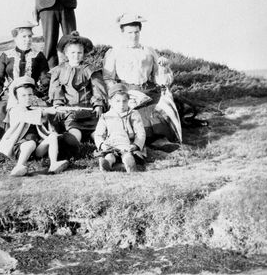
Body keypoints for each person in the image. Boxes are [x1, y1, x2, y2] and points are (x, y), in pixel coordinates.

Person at [102, 13, 182, 144]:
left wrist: (164, 68)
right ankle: (142, 143)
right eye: (129, 33)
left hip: (147, 90)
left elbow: (159, 80)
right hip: (126, 91)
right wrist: (118, 94)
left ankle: (161, 139)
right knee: (135, 116)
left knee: (159, 111)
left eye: (136, 32)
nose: (133, 36)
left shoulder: (148, 51)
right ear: (122, 33)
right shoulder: (115, 52)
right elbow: (108, 78)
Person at [0, 21, 49, 142]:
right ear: (15, 38)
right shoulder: (6, 56)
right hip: (11, 95)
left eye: (30, 36)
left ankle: (30, 134)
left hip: (31, 94)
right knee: (2, 107)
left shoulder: (38, 56)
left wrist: (40, 93)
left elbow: (45, 77)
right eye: (23, 36)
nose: (27, 39)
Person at [0, 77, 69, 177]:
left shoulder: (34, 107)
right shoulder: (15, 110)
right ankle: (19, 166)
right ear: (17, 97)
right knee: (30, 144)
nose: (27, 98)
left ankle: (54, 164)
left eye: (30, 94)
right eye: (23, 95)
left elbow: (42, 119)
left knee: (52, 137)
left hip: (37, 148)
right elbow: (27, 116)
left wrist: (54, 110)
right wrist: (45, 111)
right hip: (19, 146)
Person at [49, 32, 108, 151]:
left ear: (84, 54)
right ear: (66, 53)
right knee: (74, 131)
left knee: (97, 132)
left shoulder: (90, 69)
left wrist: (98, 104)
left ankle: (103, 147)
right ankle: (73, 143)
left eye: (79, 53)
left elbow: (97, 88)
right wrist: (59, 105)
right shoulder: (59, 70)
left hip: (89, 111)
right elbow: (56, 90)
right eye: (73, 53)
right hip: (71, 112)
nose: (76, 56)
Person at [94, 83, 146, 172]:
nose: (121, 104)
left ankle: (129, 164)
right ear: (110, 102)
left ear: (128, 101)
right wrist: (102, 145)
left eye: (124, 101)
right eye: (117, 101)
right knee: (109, 156)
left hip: (128, 145)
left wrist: (135, 145)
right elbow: (98, 134)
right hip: (111, 145)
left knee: (128, 155)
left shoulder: (133, 114)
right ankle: (106, 164)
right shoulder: (105, 116)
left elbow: (140, 132)